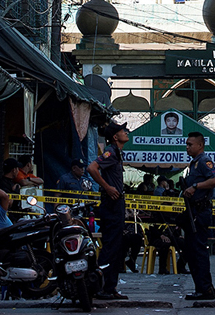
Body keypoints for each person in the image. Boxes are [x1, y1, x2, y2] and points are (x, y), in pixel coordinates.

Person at [87, 121, 130, 300]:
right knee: (111, 247)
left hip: (116, 204)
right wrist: (107, 187)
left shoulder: (117, 153)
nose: (126, 132)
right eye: (122, 131)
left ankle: (110, 287)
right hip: (111, 205)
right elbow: (92, 168)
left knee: (116, 246)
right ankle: (101, 287)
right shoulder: (111, 152)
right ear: (115, 137)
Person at [181, 131, 215, 300]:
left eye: (190, 144)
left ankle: (204, 289)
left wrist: (196, 186)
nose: (187, 147)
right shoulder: (194, 164)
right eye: (187, 144)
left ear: (200, 145)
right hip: (194, 211)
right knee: (192, 251)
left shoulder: (204, 161)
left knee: (198, 251)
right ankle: (204, 287)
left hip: (200, 212)